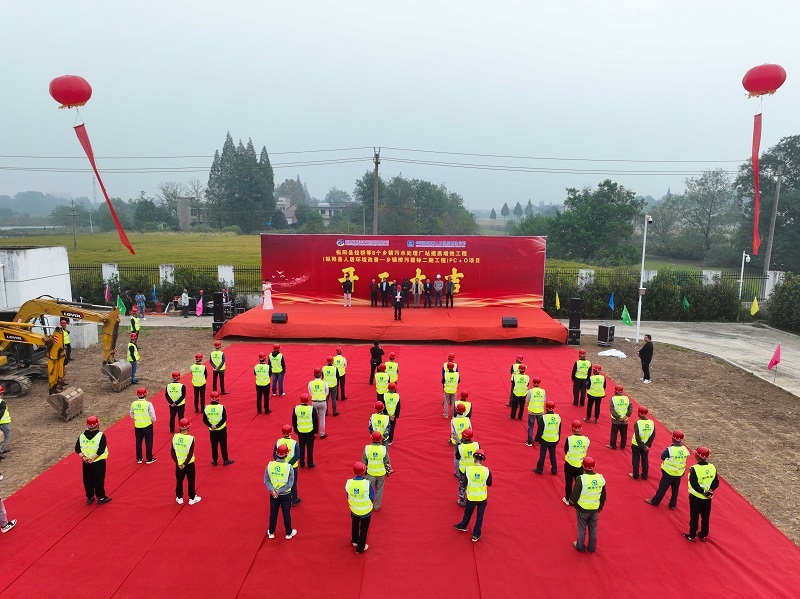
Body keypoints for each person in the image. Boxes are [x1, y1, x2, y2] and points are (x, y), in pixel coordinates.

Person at [569, 457, 606, 553]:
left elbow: (575, 494)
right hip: (594, 508)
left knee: (582, 528)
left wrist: (571, 502)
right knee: (593, 528)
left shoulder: (582, 479)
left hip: (582, 508)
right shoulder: (600, 478)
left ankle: (580, 546)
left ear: (583, 467)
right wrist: (600, 506)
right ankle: (592, 547)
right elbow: (603, 495)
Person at [453, 448, 491, 542]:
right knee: (480, 516)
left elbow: (465, 483)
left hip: (471, 497)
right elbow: (489, 483)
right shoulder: (487, 470)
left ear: (474, 458)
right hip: (482, 498)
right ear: (482, 460)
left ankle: (463, 525)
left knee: (468, 512)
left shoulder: (468, 470)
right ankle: (476, 534)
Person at [646, 430, 690, 510]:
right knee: (675, 490)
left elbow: (662, 456)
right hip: (679, 473)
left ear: (673, 438)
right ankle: (673, 505)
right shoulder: (685, 449)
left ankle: (655, 501)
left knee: (662, 488)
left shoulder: (670, 449)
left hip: (668, 473)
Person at [685, 446, 719, 542]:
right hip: (708, 498)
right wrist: (710, 491)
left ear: (697, 456)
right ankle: (703, 534)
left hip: (696, 497)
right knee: (705, 517)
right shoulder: (712, 467)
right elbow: (716, 482)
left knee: (694, 516)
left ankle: (692, 535)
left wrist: (702, 492)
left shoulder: (694, 469)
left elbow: (694, 484)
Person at [75, 415, 111, 505]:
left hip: (86, 462)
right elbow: (101, 450)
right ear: (97, 425)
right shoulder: (101, 436)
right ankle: (101, 497)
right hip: (98, 462)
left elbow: (77, 449)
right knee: (98, 480)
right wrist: (93, 458)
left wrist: (84, 457)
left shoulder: (82, 436)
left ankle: (90, 497)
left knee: (87, 480)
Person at [265, 444, 297, 540]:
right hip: (286, 494)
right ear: (287, 454)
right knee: (286, 513)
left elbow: (266, 480)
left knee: (273, 513)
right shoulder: (289, 467)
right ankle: (288, 533)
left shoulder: (270, 465)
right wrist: (279, 491)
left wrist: (273, 491)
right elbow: (290, 483)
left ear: (276, 453)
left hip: (273, 495)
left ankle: (271, 532)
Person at [346, 462, 374, 554]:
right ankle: (360, 548)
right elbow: (372, 497)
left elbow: (348, 495)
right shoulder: (367, 483)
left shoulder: (349, 483)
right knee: (364, 529)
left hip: (354, 509)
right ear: (364, 471)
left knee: (354, 524)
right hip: (366, 511)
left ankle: (354, 540)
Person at [172, 418, 201, 505]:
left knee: (179, 481)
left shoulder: (175, 437)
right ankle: (192, 498)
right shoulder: (191, 438)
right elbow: (190, 453)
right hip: (189, 464)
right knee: (191, 480)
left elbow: (172, 452)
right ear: (188, 427)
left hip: (178, 464)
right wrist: (185, 463)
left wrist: (179, 463)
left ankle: (179, 497)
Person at [363, 431, 392, 511]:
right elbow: (387, 461)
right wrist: (388, 471)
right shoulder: (383, 449)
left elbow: (364, 462)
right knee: (379, 490)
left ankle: (368, 505)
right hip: (381, 473)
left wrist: (364, 472)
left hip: (370, 473)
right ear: (380, 440)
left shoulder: (367, 448)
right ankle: (376, 506)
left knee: (369, 490)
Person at [563, 420, 590, 505]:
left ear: (572, 429)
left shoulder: (569, 439)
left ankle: (568, 498)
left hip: (570, 464)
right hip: (580, 464)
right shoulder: (586, 440)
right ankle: (577, 498)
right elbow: (585, 450)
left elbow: (566, 450)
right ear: (581, 428)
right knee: (579, 483)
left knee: (569, 482)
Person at [204, 391, 234, 466]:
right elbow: (224, 419)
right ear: (218, 398)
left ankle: (214, 460)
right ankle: (225, 460)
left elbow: (204, 420)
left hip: (212, 430)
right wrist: (217, 426)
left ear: (210, 398)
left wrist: (211, 426)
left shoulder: (207, 407)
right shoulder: (221, 407)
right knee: (223, 445)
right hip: (221, 430)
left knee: (214, 445)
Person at [275, 425, 301, 506]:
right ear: (291, 432)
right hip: (293, 467)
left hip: (281, 467)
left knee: (281, 482)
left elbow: (275, 454)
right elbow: (297, 455)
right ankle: (294, 499)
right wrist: (289, 465)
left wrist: (282, 463)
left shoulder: (278, 442)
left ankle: (280, 501)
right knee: (292, 483)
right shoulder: (294, 443)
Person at [130, 387, 157, 464]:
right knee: (148, 442)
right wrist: (153, 421)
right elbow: (152, 415)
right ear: (145, 394)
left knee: (138, 442)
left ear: (137, 394)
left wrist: (135, 419)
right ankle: (149, 458)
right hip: (147, 425)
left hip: (137, 426)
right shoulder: (148, 404)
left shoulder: (133, 404)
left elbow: (131, 414)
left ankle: (139, 458)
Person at [533, 400, 561, 475]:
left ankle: (539, 470)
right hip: (554, 439)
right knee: (553, 455)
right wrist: (558, 439)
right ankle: (554, 470)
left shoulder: (543, 418)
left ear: (546, 408)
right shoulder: (558, 417)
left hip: (544, 440)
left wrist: (537, 439)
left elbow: (540, 430)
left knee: (542, 455)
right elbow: (559, 429)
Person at [292, 393, 319, 468]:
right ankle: (310, 463)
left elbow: (294, 420)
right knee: (310, 447)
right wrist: (316, 431)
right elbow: (315, 421)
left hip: (300, 430)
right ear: (308, 400)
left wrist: (295, 429)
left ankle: (301, 463)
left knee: (301, 446)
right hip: (310, 431)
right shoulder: (311, 409)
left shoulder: (296, 408)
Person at [455, 428, 479, 507]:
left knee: (462, 485)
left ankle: (462, 500)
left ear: (463, 437)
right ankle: (474, 498)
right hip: (474, 469)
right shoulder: (476, 445)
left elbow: (457, 457)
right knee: (474, 483)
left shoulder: (460, 447)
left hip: (463, 470)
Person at [630, 406, 656, 480]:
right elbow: (653, 435)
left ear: (639, 413)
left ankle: (635, 475)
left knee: (636, 460)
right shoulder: (651, 422)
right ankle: (645, 475)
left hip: (636, 445)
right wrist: (647, 445)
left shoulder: (638, 423)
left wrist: (642, 445)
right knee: (645, 460)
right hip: (646, 445)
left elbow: (637, 436)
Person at [606, 384, 632, 450]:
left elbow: (612, 410)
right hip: (625, 420)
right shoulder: (626, 398)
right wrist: (626, 416)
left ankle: (613, 445)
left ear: (615, 391)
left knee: (614, 433)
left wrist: (618, 417)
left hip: (616, 420)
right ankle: (623, 446)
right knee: (624, 434)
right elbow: (630, 408)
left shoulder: (613, 399)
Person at [308, 368, 330, 439]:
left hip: (314, 402)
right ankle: (322, 434)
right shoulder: (324, 383)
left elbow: (310, 392)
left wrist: (315, 396)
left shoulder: (310, 383)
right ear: (321, 374)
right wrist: (322, 396)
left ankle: (314, 433)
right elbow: (327, 392)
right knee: (322, 418)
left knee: (314, 418)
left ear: (314, 374)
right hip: (322, 402)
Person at [525, 376, 545, 446]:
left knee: (531, 426)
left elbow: (527, 400)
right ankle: (539, 440)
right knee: (540, 426)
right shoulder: (543, 391)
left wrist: (528, 405)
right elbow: (544, 400)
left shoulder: (530, 391)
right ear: (540, 383)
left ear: (532, 383)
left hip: (532, 411)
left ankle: (530, 441)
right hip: (540, 411)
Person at [0, 386, 11, 458]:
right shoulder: (1, 402)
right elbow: (1, 413)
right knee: (6, 437)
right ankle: (0, 451)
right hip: (3, 423)